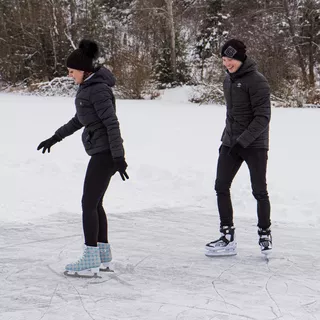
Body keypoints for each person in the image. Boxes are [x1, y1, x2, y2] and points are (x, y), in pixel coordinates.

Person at [37, 39, 129, 277]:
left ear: (84, 70)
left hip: (104, 153)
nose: (69, 76)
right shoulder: (88, 88)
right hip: (102, 152)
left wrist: (118, 157)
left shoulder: (97, 89)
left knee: (88, 204)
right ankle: (102, 254)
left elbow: (111, 123)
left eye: (71, 72)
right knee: (95, 203)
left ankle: (90, 258)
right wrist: (55, 138)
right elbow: (80, 119)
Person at [205, 39, 272, 256]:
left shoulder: (257, 81)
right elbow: (231, 115)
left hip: (255, 144)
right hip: (230, 142)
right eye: (224, 60)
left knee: (259, 190)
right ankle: (227, 235)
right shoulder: (228, 80)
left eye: (231, 59)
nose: (227, 64)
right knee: (221, 186)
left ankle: (264, 233)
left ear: (241, 58)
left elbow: (263, 118)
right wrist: (227, 139)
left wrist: (242, 141)